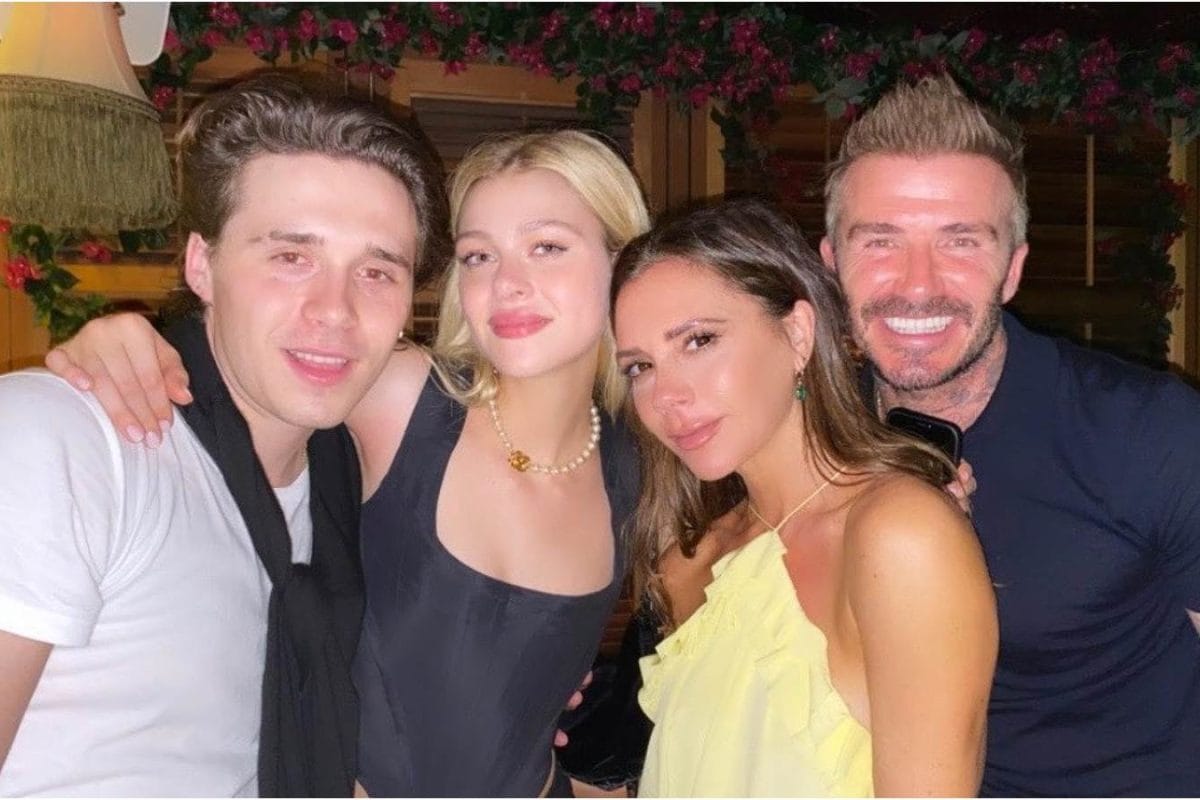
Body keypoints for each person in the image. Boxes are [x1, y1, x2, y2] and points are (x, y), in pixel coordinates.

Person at [42, 129, 650, 796]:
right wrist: (132, 340)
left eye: (547, 247)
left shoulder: (638, 465)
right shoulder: (403, 396)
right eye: (478, 255)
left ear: (624, 263)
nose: (507, 284)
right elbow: (246, 367)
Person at [0, 74, 448, 796]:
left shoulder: (355, 484)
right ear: (202, 265)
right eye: (291, 257)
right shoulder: (61, 441)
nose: (335, 310)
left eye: (376, 271)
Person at [818, 74, 1200, 795]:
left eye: (960, 242)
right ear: (832, 264)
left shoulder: (1149, 430)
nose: (918, 285)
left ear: (1013, 269)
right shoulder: (812, 437)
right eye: (881, 242)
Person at [610, 196, 998, 796]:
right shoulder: (689, 564)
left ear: (797, 333)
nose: (666, 395)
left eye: (698, 341)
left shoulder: (899, 535)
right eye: (640, 367)